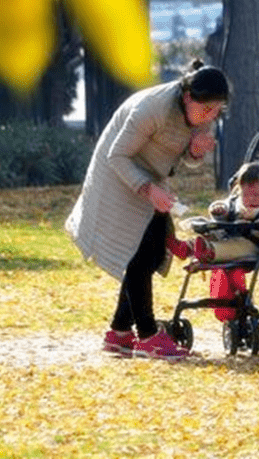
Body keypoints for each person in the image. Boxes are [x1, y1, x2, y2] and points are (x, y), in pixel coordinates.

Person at [65, 61, 230, 360]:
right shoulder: (152, 108)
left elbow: (184, 159)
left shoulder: (203, 114)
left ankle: (119, 332)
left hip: (152, 178)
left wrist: (195, 151)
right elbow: (117, 155)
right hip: (117, 174)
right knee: (140, 253)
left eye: (217, 111)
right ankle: (149, 334)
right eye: (207, 110)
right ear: (188, 97)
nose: (211, 117)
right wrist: (147, 189)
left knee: (153, 253)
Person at [169, 162, 259, 323]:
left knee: (231, 246)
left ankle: (207, 251)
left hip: (254, 246)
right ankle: (187, 247)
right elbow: (225, 206)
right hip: (227, 238)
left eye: (256, 195)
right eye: (246, 195)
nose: (250, 200)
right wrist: (219, 210)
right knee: (212, 233)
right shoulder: (236, 202)